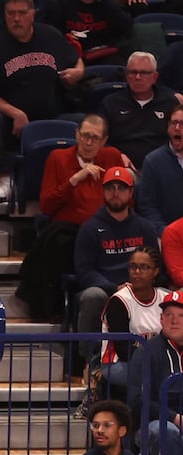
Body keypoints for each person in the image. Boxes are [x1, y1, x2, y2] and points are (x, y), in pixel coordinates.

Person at [15, 113, 124, 322]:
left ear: (104, 141)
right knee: (59, 237)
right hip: (71, 231)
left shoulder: (112, 157)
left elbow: (124, 199)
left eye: (95, 138)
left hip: (105, 230)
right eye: (84, 136)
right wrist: (74, 180)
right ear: (76, 134)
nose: (88, 142)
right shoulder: (58, 158)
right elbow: (46, 205)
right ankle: (50, 308)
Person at [0, 0, 83, 203]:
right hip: (12, 124)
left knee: (87, 122)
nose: (16, 19)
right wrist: (15, 113)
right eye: (11, 13)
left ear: (33, 13)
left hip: (51, 117)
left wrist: (79, 71)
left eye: (22, 13)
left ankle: (80, 181)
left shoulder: (50, 36)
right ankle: (5, 176)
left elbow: (75, 58)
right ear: (4, 15)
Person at [71, 166, 159, 340]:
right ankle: (91, 359)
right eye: (111, 187)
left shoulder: (145, 227)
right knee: (92, 296)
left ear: (131, 192)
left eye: (121, 188)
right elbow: (85, 272)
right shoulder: (90, 229)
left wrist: (140, 286)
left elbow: (156, 265)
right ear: (103, 191)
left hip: (140, 288)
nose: (115, 193)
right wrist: (115, 287)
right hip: (105, 289)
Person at [130, 290, 183, 455]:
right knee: (166, 432)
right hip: (153, 424)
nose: (174, 320)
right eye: (168, 315)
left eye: (180, 316)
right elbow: (137, 399)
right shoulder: (147, 351)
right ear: (160, 319)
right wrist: (174, 417)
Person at [96, 245, 168, 396]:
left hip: (154, 362)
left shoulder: (165, 298)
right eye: (133, 267)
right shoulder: (119, 301)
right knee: (161, 376)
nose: (137, 272)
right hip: (118, 364)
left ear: (156, 271)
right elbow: (123, 350)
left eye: (144, 267)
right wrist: (157, 361)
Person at [100, 52, 183, 172]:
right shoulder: (111, 102)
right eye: (133, 72)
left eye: (144, 73)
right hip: (123, 167)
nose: (138, 77)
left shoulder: (169, 101)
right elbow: (100, 139)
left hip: (163, 166)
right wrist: (116, 156)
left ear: (155, 77)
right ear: (127, 75)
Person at [135, 103, 183, 236]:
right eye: (174, 123)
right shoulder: (153, 161)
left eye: (182, 124)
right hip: (167, 236)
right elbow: (147, 208)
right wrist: (166, 233)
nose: (177, 128)